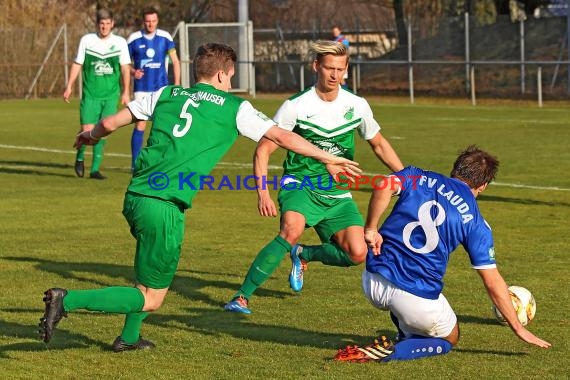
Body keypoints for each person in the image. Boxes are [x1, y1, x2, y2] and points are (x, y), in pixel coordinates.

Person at [38, 43, 361, 352]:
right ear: (223, 75)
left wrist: (90, 135)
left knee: (145, 274)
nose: (231, 81)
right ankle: (67, 300)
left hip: (136, 197)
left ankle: (129, 337)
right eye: (231, 76)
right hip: (164, 208)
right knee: (152, 297)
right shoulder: (235, 108)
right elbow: (282, 136)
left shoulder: (165, 93)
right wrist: (327, 157)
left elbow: (109, 123)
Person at [224, 40, 403, 314]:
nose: (334, 75)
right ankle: (241, 297)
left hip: (336, 193)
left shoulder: (357, 105)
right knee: (291, 231)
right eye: (329, 67)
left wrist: (405, 177)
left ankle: (304, 254)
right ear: (315, 66)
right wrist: (263, 193)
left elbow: (378, 143)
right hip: (301, 184)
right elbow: (263, 150)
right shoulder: (296, 106)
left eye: (340, 69)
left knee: (358, 253)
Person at [334, 146, 552, 363]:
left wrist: (371, 229)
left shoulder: (416, 175)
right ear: (483, 186)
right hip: (414, 295)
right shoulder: (476, 222)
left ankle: (406, 333)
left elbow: (383, 184)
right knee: (450, 337)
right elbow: (492, 280)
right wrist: (518, 329)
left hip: (373, 279)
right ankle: (388, 352)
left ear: (455, 169)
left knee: (413, 312)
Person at [63, 8, 131, 180]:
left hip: (110, 96)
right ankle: (79, 158)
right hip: (90, 94)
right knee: (87, 129)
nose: (104, 27)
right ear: (97, 24)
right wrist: (69, 86)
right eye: (102, 23)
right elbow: (77, 63)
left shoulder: (120, 42)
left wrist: (126, 92)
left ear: (113, 24)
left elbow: (125, 68)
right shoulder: (87, 40)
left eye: (108, 23)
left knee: (104, 129)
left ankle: (94, 170)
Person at [127, 6, 181, 171]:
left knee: (162, 125)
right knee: (140, 125)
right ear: (143, 21)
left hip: (161, 89)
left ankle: (160, 162)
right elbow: (124, 63)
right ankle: (135, 164)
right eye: (148, 21)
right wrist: (132, 71)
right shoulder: (134, 39)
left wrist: (177, 84)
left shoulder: (165, 37)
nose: (150, 24)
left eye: (153, 21)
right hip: (142, 89)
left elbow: (176, 61)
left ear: (157, 21)